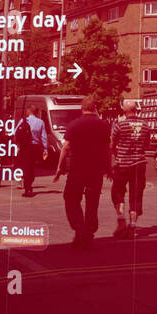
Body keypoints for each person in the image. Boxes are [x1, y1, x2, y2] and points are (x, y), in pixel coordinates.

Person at [55, 96, 111, 247]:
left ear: (82, 108)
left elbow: (66, 147)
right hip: (96, 170)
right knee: (92, 203)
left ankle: (80, 229)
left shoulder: (74, 124)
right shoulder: (104, 125)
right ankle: (89, 231)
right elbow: (107, 149)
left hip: (77, 169)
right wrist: (109, 168)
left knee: (71, 198)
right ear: (94, 108)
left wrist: (60, 167)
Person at [109, 99, 147, 237]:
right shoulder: (145, 125)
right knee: (136, 196)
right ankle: (133, 227)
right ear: (135, 109)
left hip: (123, 165)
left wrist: (116, 155)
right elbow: (146, 144)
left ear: (124, 111)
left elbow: (112, 144)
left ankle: (121, 221)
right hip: (139, 165)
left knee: (117, 192)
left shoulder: (120, 125)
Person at [14, 103, 48, 197]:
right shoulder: (40, 122)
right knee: (31, 167)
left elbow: (15, 133)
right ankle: (29, 185)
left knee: (25, 166)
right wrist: (45, 149)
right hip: (35, 148)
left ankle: (27, 187)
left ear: (28, 111)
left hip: (25, 147)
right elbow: (44, 137)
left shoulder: (23, 121)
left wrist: (18, 145)